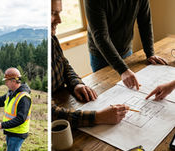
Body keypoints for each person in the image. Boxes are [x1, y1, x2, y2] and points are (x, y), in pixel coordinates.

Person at [51, 0, 129, 128]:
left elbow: (63, 64)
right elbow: (51, 114)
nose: (59, 20)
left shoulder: (51, 37)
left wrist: (76, 83)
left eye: (59, 13)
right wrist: (97, 117)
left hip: (63, 101)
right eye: (53, 13)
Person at [84, 0, 167, 90]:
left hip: (125, 49)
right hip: (102, 55)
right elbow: (101, 37)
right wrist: (122, 69)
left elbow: (145, 23)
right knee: (107, 92)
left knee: (130, 90)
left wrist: (150, 53)